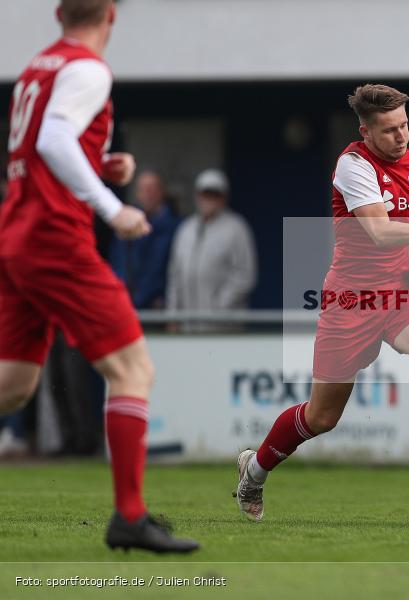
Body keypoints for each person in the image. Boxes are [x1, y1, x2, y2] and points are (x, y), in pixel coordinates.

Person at [233, 85, 409, 522]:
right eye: (390, 130)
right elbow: (382, 232)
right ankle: (254, 471)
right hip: (350, 301)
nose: (401, 137)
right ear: (365, 131)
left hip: (396, 294)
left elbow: (406, 238)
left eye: (405, 125)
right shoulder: (353, 165)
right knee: (322, 416)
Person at [0, 0, 197, 552]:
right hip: (54, 238)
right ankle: (129, 517)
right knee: (134, 368)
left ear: (58, 15)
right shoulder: (87, 68)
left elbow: (46, 146)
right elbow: (53, 141)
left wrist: (100, 161)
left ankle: (130, 516)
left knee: (13, 385)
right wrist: (113, 206)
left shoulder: (39, 68)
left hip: (16, 234)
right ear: (111, 16)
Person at [166, 169, 257, 316]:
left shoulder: (236, 228)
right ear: (197, 196)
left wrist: (219, 307)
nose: (208, 199)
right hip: (188, 322)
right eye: (205, 194)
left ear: (223, 198)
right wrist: (173, 313)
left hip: (223, 323)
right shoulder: (186, 229)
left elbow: (245, 275)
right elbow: (175, 274)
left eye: (214, 195)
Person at [109, 170, 181, 309]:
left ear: (161, 192)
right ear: (137, 193)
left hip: (158, 308)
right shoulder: (125, 225)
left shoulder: (175, 227)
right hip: (125, 305)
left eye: (152, 189)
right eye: (143, 189)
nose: (148, 194)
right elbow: (117, 264)